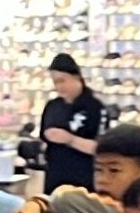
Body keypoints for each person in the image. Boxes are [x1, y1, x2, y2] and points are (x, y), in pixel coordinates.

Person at [16, 123, 140, 213]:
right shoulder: (99, 207)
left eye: (114, 170)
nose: (102, 179)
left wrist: (48, 201)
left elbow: (66, 199)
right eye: (98, 170)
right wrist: (42, 203)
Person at [38, 52, 104, 193]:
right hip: (55, 176)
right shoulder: (52, 106)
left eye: (62, 81)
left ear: (76, 77)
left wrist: (70, 139)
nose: (59, 86)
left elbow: (100, 148)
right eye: (55, 82)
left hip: (84, 177)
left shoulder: (95, 107)